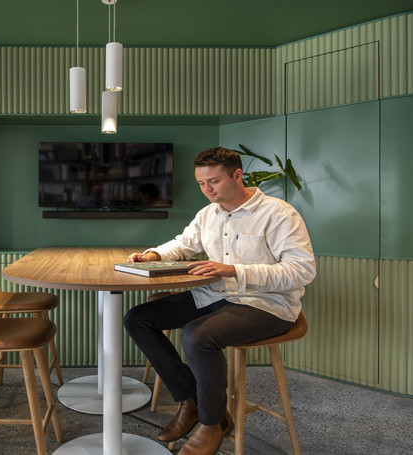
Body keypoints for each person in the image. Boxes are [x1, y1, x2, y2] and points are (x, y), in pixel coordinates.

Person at [123, 147, 316, 455]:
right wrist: (154, 255)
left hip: (266, 305)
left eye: (213, 181)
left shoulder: (278, 213)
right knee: (137, 318)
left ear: (237, 175)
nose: (207, 189)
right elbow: (184, 243)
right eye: (201, 183)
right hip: (214, 295)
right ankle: (193, 401)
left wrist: (234, 270)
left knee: (197, 336)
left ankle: (213, 423)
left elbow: (302, 270)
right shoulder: (209, 213)